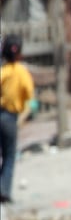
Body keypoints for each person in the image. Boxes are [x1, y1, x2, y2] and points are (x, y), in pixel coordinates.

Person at [0, 35, 35, 203]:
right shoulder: (22, 73)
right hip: (9, 117)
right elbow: (29, 94)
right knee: (9, 155)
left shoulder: (3, 72)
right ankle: (4, 191)